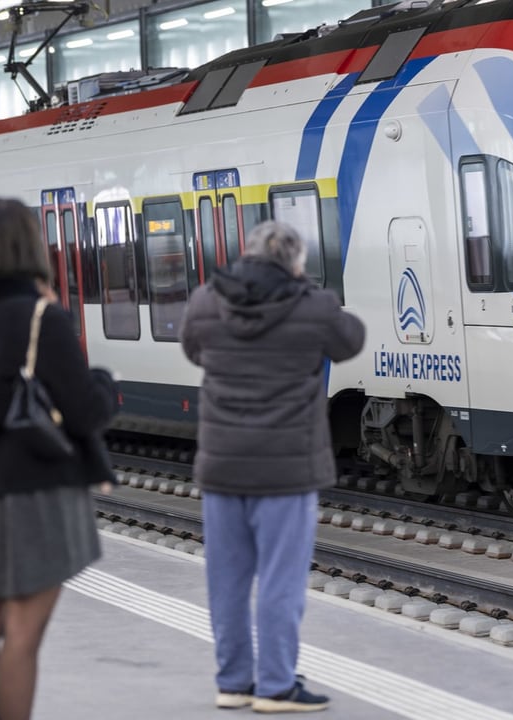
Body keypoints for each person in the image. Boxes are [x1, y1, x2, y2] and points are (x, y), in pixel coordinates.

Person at [0, 197, 119, 720]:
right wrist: (105, 384)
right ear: (31, 246)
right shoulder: (41, 315)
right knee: (22, 634)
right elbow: (85, 412)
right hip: (37, 489)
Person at [180, 220, 365, 714]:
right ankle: (276, 685)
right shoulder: (312, 305)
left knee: (227, 582)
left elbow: (193, 349)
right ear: (295, 262)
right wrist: (307, 291)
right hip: (286, 472)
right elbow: (351, 341)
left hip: (223, 468)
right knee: (280, 583)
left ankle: (234, 681)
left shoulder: (205, 301)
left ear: (247, 255)